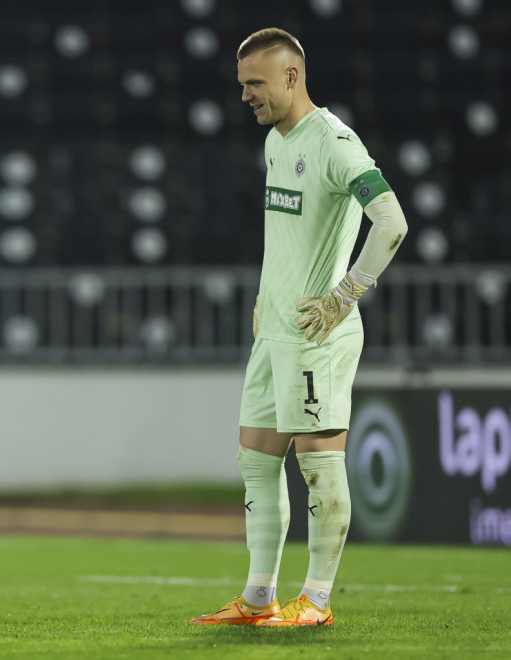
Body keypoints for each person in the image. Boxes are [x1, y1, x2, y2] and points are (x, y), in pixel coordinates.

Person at [189, 28, 408, 627]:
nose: (245, 97)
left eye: (255, 84)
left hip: (318, 335)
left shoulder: (335, 143)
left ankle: (315, 601)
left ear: (291, 76)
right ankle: (258, 599)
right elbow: (284, 238)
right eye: (241, 86)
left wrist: (346, 296)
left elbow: (391, 222)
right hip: (275, 333)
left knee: (317, 466)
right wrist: (266, 298)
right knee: (256, 462)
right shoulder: (275, 143)